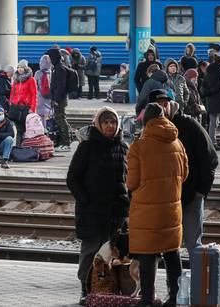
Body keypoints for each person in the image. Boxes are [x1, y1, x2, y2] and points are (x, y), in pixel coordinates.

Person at [127, 103, 188, 307]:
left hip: (147, 211)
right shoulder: (177, 143)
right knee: (172, 252)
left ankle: (147, 299)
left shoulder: (139, 146)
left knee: (147, 254)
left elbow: (131, 182)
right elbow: (184, 175)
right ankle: (175, 297)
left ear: (146, 122)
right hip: (172, 210)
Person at [67, 106, 129, 305]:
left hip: (117, 211)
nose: (110, 126)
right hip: (92, 211)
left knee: (113, 252)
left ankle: (108, 290)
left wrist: (127, 202)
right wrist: (85, 200)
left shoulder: (123, 147)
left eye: (113, 122)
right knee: (90, 251)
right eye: (106, 122)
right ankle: (85, 289)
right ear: (98, 124)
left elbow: (129, 179)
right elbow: (73, 178)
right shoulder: (87, 146)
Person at [152, 89, 218, 261]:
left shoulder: (188, 124)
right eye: (158, 104)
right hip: (165, 200)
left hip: (190, 196)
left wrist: (201, 191)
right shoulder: (150, 129)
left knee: (193, 245)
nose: (162, 107)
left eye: (165, 103)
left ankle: (197, 286)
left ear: (171, 104)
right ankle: (174, 286)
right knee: (168, 247)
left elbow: (210, 158)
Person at [203, 54, 220, 151]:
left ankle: (212, 144)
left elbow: (203, 86)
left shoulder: (208, 71)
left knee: (213, 124)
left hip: (210, 101)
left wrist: (208, 93)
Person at [9, 60, 37, 145]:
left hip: (26, 107)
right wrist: (11, 102)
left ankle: (24, 146)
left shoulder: (31, 80)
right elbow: (12, 92)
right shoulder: (16, 79)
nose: (19, 69)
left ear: (25, 68)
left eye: (21, 67)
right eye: (18, 67)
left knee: (25, 129)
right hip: (16, 107)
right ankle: (19, 146)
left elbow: (34, 94)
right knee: (19, 129)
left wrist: (32, 108)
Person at [47, 48, 70, 152]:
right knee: (59, 119)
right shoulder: (56, 67)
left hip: (59, 99)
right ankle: (62, 142)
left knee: (60, 120)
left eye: (50, 57)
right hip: (58, 99)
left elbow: (60, 86)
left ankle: (66, 143)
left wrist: (56, 99)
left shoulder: (60, 68)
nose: (49, 59)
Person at [34, 55, 53, 128]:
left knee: (39, 118)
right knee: (48, 118)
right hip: (49, 99)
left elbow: (35, 86)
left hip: (40, 99)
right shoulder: (51, 72)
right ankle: (47, 132)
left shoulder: (38, 73)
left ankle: (41, 132)